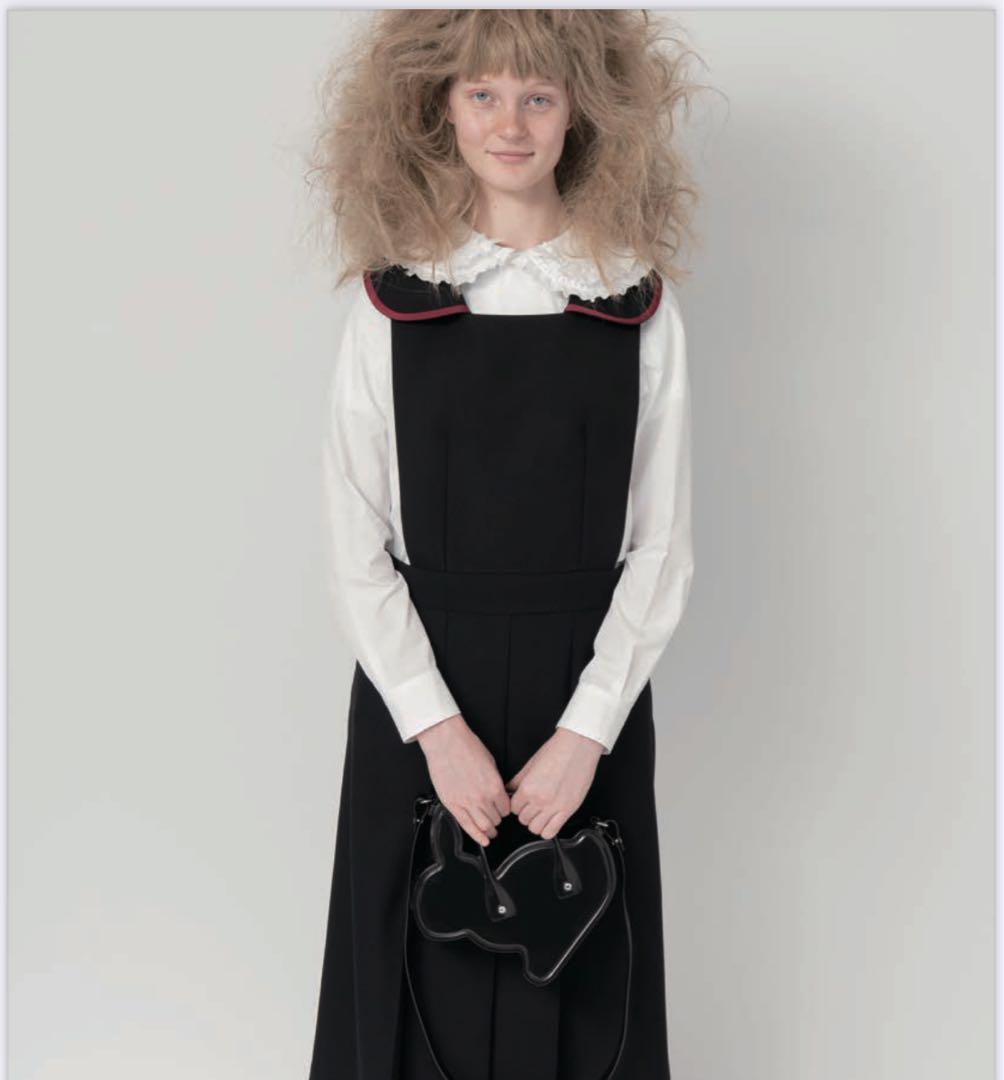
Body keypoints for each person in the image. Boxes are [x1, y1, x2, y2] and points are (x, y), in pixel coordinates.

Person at [306, 10, 703, 1079]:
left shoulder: (635, 303)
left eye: (537, 95)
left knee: (582, 1000)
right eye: (482, 94)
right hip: (422, 697)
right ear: (439, 106)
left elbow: (661, 549)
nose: (509, 123)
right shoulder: (390, 303)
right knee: (411, 1003)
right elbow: (354, 542)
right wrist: (436, 732)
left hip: (586, 700)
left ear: (583, 111)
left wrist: (586, 736)